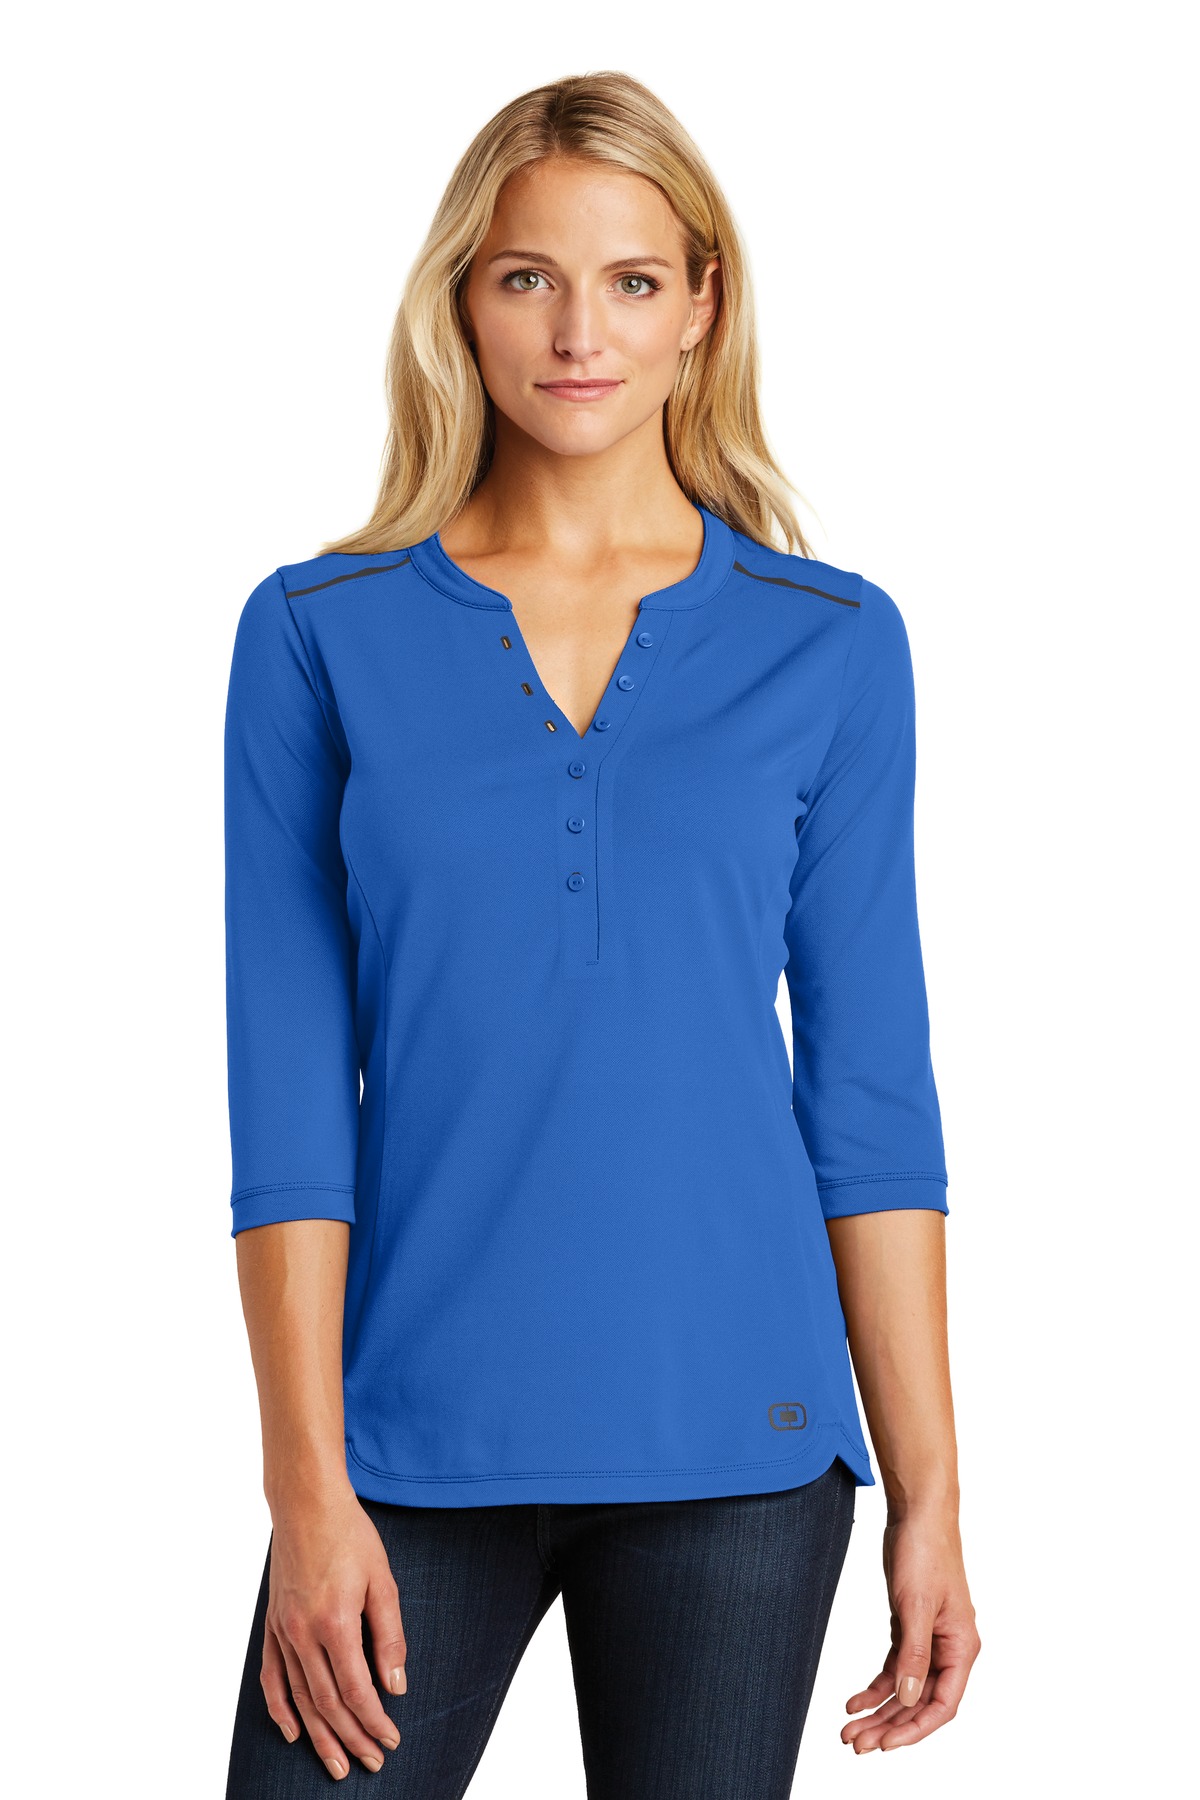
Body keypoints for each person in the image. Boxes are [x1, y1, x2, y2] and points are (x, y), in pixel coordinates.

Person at [222, 69, 980, 1798]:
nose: (580, 333)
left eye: (632, 280)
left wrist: (932, 1495)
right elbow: (288, 1112)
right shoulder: (317, 634)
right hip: (405, 1451)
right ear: (462, 303)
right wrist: (305, 1491)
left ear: (702, 305)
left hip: (742, 1450)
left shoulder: (830, 642)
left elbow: (871, 1099)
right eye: (528, 278)